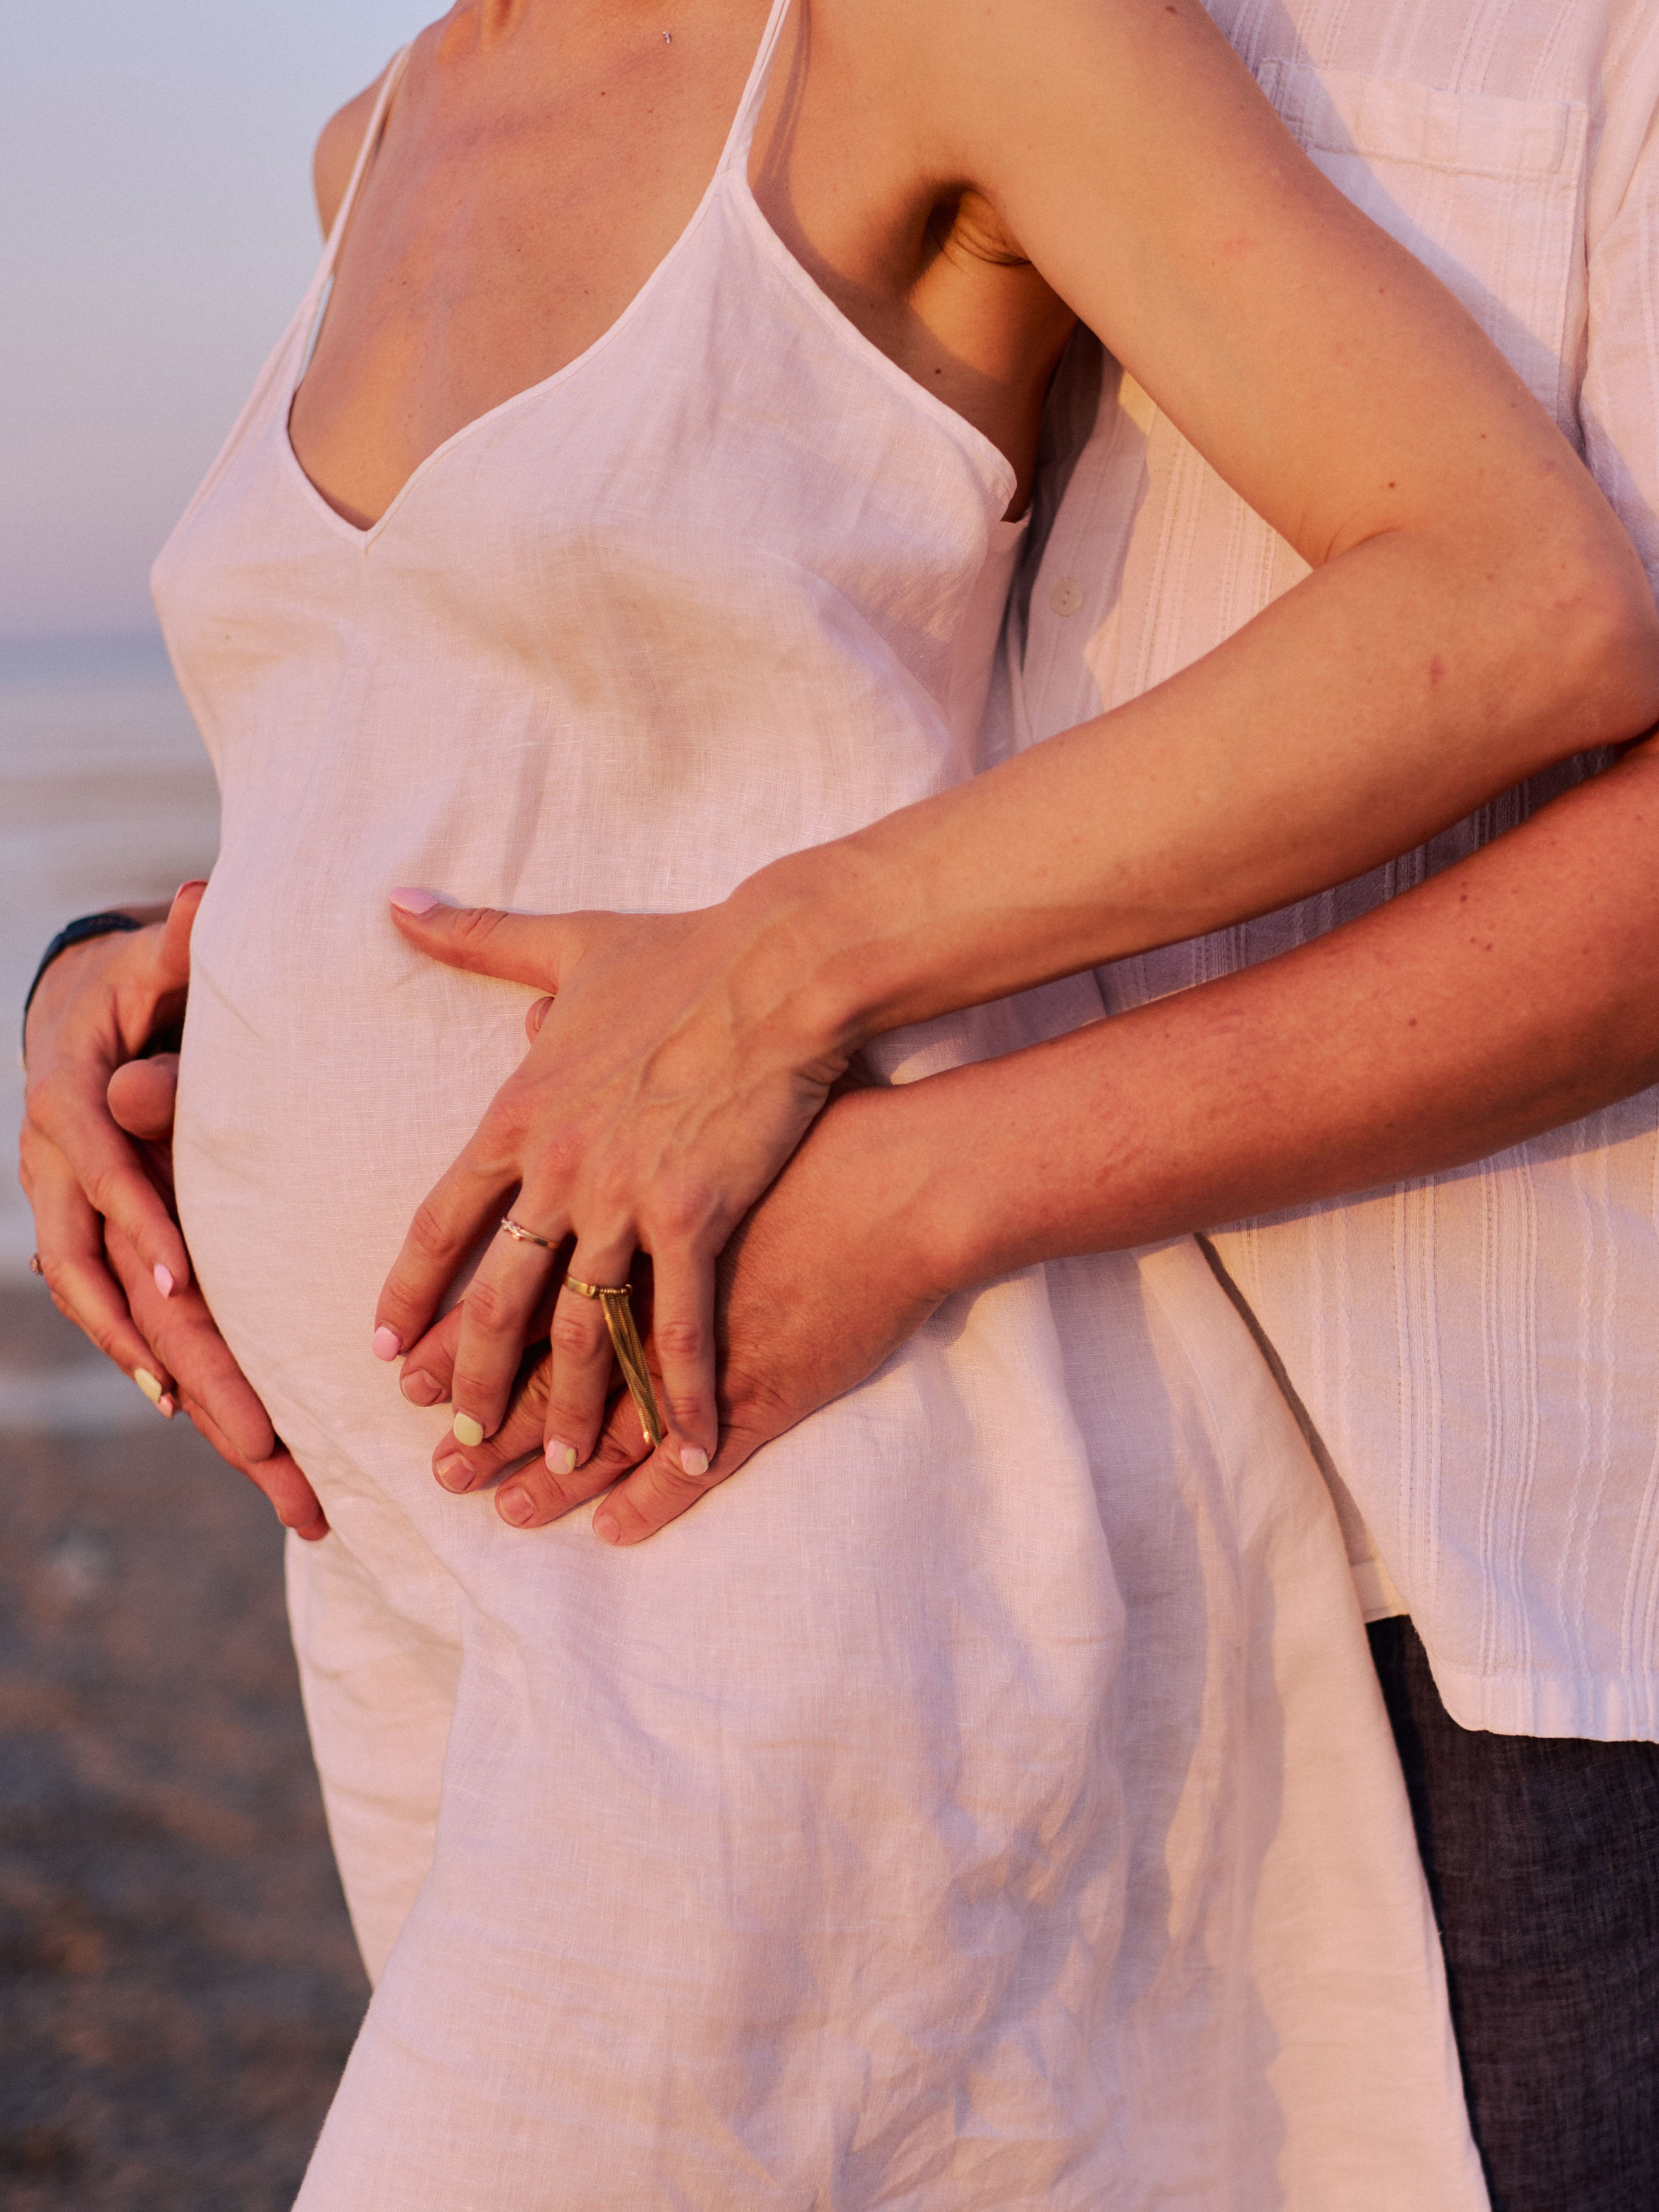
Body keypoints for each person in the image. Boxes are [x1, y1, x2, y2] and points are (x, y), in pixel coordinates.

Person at [17, 0, 1659, 2202]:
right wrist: (123, 988)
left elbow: (1527, 605)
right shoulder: (372, 135)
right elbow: (522, 751)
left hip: (792, 1461)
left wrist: (806, 990)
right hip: (429, 1548)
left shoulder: (937, 33)